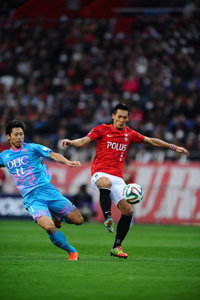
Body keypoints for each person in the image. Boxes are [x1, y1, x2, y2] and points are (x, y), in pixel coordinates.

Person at [61, 103, 189, 259]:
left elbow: (152, 141)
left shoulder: (130, 134)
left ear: (128, 118)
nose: (121, 120)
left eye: (124, 117)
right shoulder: (101, 129)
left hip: (118, 177)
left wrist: (174, 147)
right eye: (119, 116)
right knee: (105, 183)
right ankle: (108, 218)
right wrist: (72, 142)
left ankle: (116, 247)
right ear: (113, 116)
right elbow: (84, 141)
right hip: (99, 173)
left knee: (128, 211)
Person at [0, 120, 84, 261]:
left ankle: (58, 216)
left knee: (78, 220)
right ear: (8, 136)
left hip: (47, 190)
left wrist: (68, 162)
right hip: (31, 198)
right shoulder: (4, 156)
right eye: (16, 134)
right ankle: (72, 252)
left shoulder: (32, 148)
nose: (19, 137)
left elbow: (53, 155)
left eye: (21, 134)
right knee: (49, 228)